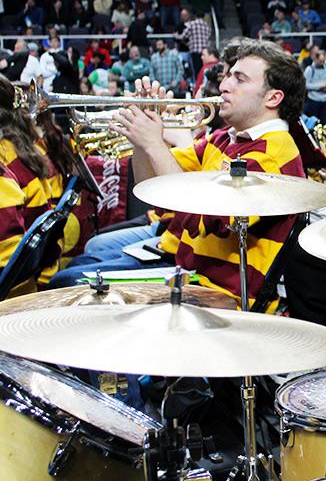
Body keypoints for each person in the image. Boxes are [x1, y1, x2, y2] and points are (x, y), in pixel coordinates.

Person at [49, 39, 306, 306]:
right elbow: (151, 188)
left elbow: (199, 219)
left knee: (67, 283)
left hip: (219, 292)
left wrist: (154, 143)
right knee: (74, 271)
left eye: (239, 79)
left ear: (273, 98)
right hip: (189, 272)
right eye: (229, 76)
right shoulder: (224, 138)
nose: (224, 85)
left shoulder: (272, 152)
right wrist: (141, 138)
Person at [0, 75, 57, 295]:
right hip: (35, 276)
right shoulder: (21, 150)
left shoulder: (7, 159)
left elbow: (7, 257)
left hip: (18, 294)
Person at [303, 50, 326, 122]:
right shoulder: (309, 69)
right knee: (313, 122)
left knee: (325, 122)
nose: (322, 63)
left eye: (323, 61)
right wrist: (319, 86)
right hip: (313, 100)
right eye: (320, 61)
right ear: (315, 59)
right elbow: (305, 85)